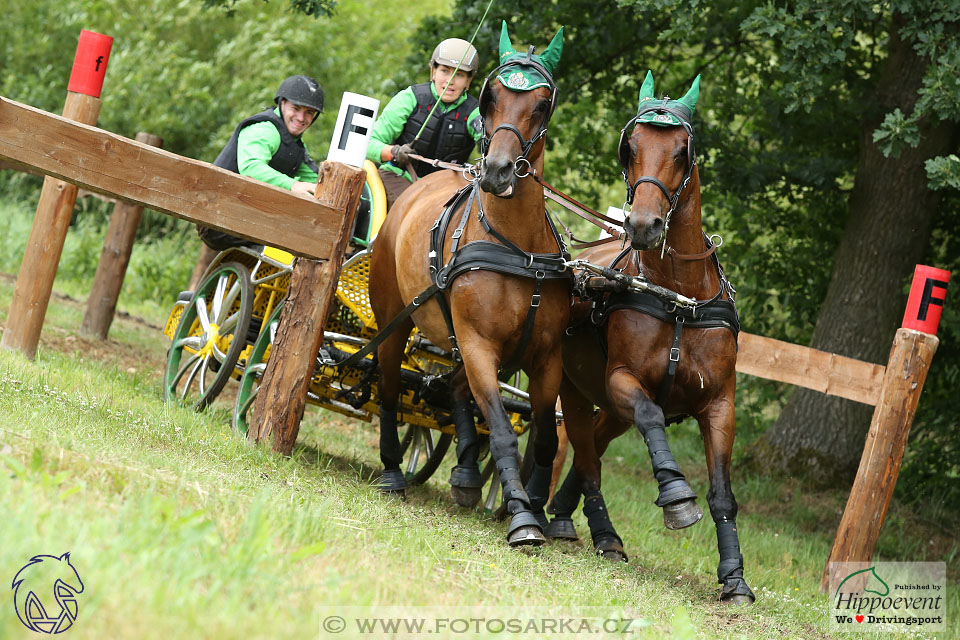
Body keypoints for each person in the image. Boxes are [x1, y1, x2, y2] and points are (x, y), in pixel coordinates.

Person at [197, 74, 325, 251]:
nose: (301, 118)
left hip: (247, 215)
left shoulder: (296, 146)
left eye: (309, 112)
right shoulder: (264, 129)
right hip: (216, 214)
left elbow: (313, 181)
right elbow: (251, 168)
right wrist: (293, 185)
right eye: (296, 108)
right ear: (282, 104)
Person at [366, 39, 483, 209]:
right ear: (433, 72)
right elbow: (369, 143)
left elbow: (491, 146)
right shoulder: (409, 98)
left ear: (468, 81)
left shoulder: (475, 112)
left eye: (459, 74)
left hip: (447, 188)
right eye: (444, 71)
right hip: (398, 178)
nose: (450, 81)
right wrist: (394, 151)